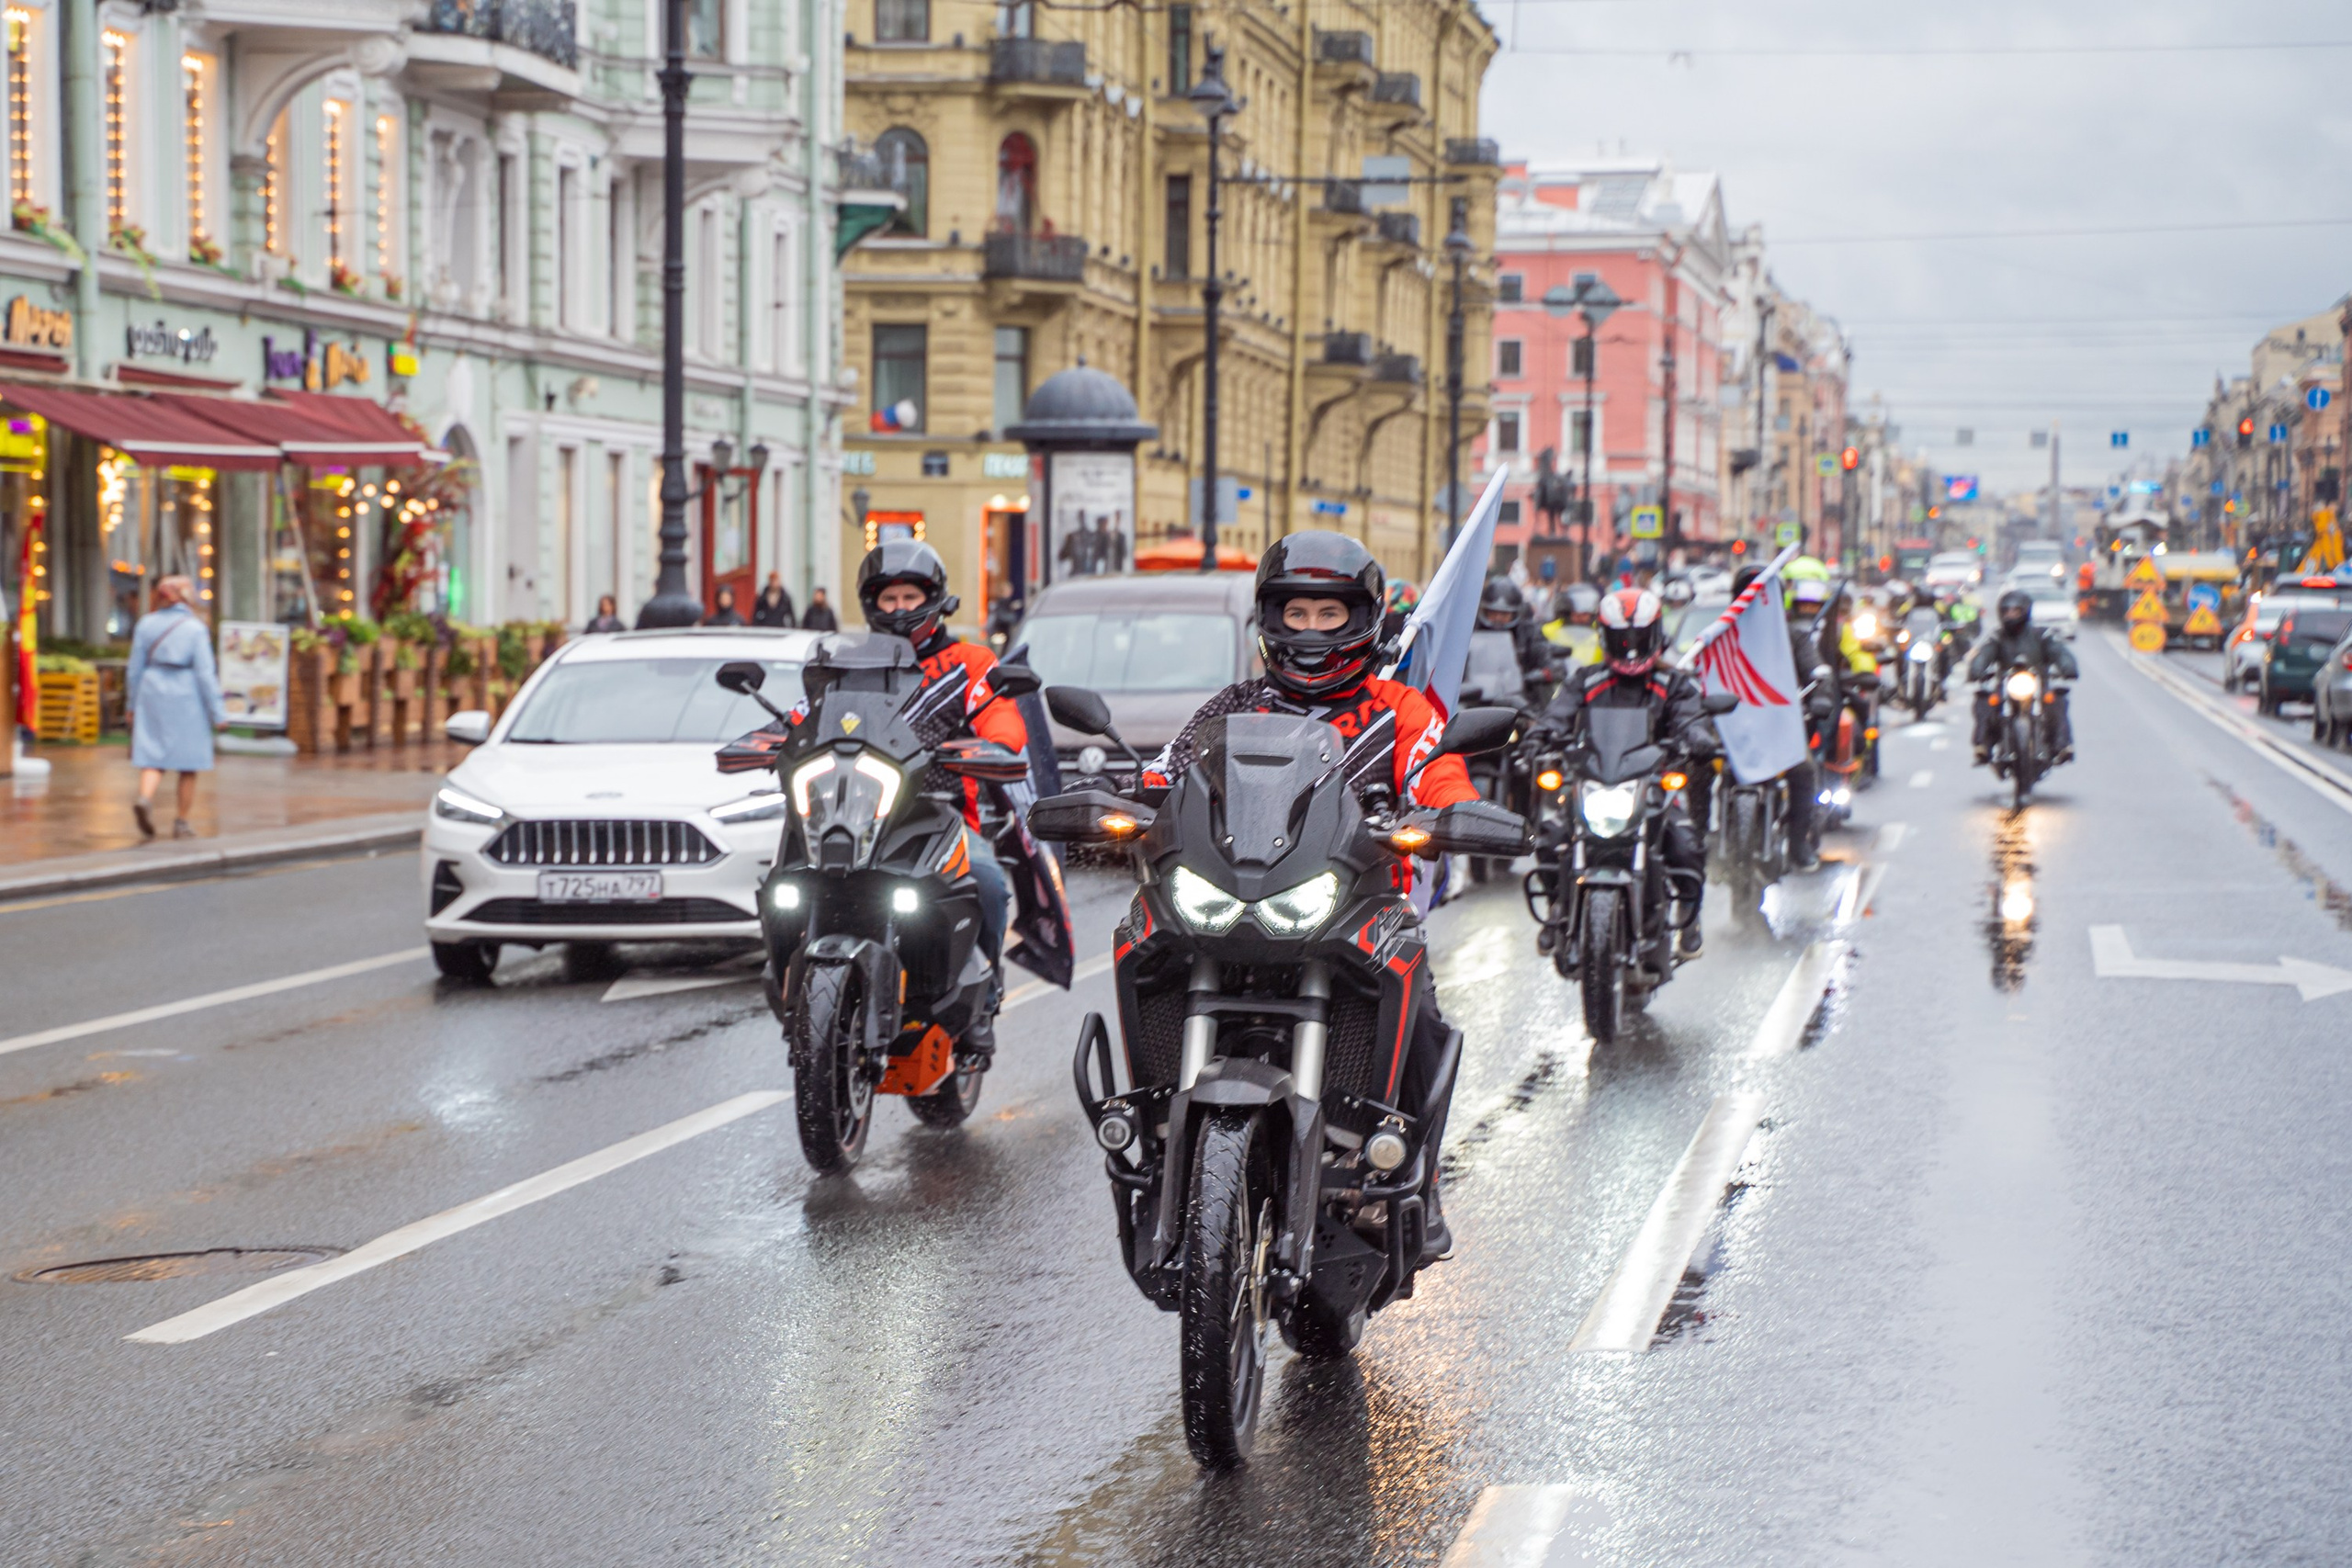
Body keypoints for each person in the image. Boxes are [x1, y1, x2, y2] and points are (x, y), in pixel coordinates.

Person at [1141, 531, 1481, 1260]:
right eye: (1296, 613)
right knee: (1144, 943)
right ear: (1270, 618)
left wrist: (1447, 810)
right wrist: (1125, 798)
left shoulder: (1399, 710)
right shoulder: (1231, 706)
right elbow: (1166, 770)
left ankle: (1413, 1177)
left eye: (1330, 614)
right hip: (1234, 893)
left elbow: (1438, 771)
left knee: (1419, 1010)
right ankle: (1149, 1132)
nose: (1311, 630)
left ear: (1363, 619)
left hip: (1355, 904)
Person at [1532, 587, 1715, 953]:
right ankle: (1557, 908)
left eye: (1639, 637)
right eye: (1621, 638)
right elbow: (1558, 713)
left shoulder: (1673, 684)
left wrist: (1695, 737)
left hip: (1654, 788)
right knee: (1550, 837)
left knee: (1685, 845)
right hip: (1594, 782)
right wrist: (1541, 736)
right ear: (1605, 637)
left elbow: (1690, 717)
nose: (1631, 648)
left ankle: (1688, 917)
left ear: (1656, 634)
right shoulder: (1585, 680)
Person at [1733, 563, 1830, 870]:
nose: (1755, 602)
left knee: (1803, 771)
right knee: (1697, 765)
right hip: (1732, 729)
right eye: (1748, 595)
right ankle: (1696, 829)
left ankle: (1798, 841)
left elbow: (1815, 670)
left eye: (1763, 595)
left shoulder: (1794, 638)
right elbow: (1698, 674)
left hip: (1777, 729)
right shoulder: (1722, 637)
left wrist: (1821, 693)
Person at [125, 576, 225, 840]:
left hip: (152, 688)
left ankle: (145, 798)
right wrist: (218, 711)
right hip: (186, 692)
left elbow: (134, 668)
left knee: (152, 755)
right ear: (185, 596)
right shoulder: (194, 628)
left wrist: (131, 704)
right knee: (188, 763)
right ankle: (181, 822)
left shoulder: (146, 624)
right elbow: (205, 672)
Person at [1967, 588, 2079, 764]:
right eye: (2007, 611)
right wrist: (1976, 669)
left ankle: (2062, 745)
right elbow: (1984, 653)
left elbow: (2059, 651)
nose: (2011, 615)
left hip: (2039, 686)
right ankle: (1982, 746)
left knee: (2057, 701)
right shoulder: (1998, 637)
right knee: (1985, 702)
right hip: (2005, 687)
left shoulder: (2041, 635)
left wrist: (2068, 667)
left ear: (2025, 611)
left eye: (2016, 611)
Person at [1541, 581, 1604, 668]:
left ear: (1592, 614)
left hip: (1593, 678)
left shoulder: (1600, 633)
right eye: (1575, 614)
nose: (1580, 618)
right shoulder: (1549, 630)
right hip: (1560, 677)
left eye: (1584, 614)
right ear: (1567, 613)